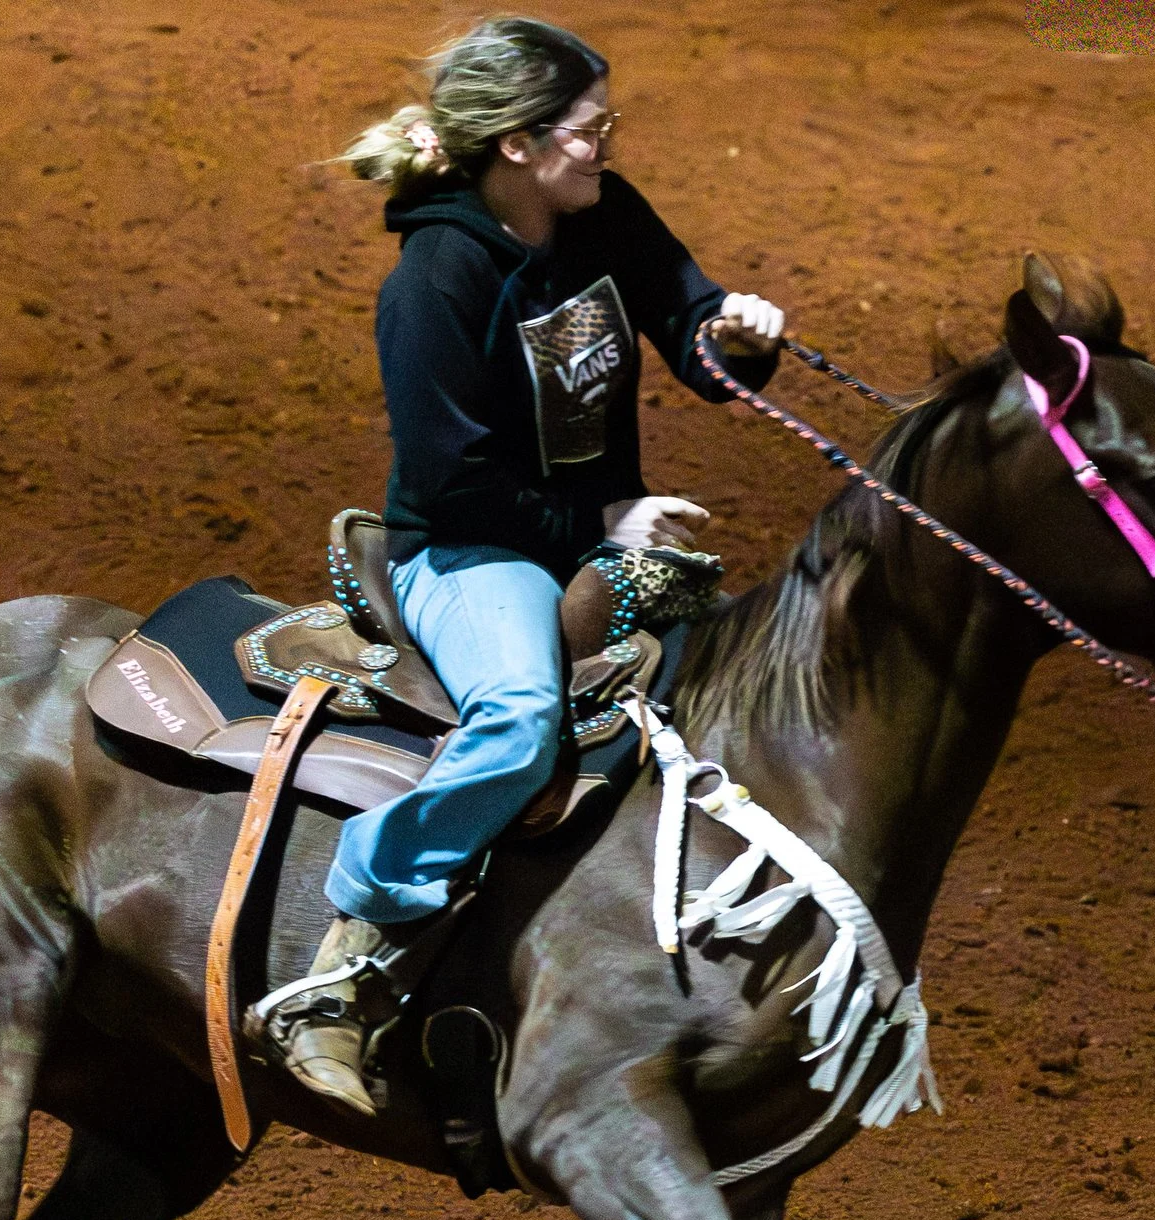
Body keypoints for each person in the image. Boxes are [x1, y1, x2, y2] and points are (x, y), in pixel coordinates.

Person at [281, 15, 786, 1116]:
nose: (605, 145)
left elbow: (686, 323)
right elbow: (449, 475)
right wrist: (603, 519)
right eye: (589, 128)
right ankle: (349, 954)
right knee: (516, 719)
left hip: (589, 536)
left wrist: (733, 336)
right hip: (468, 553)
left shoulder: (604, 219)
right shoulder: (434, 281)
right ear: (518, 143)